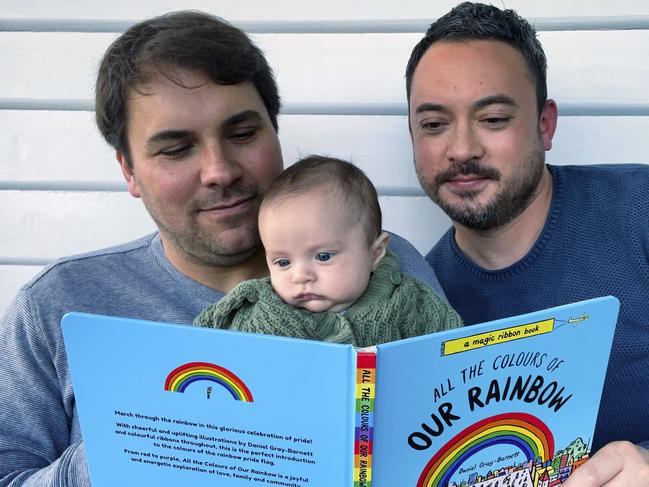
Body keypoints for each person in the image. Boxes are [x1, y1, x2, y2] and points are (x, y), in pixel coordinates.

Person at [0, 11, 445, 486]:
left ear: (275, 133)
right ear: (128, 170)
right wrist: (122, 448)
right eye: (176, 149)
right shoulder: (55, 305)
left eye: (242, 134)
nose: (219, 170)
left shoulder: (386, 266)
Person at [406, 2, 649, 484]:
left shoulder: (639, 211)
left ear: (545, 124)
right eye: (434, 125)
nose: (461, 149)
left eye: (493, 118)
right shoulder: (415, 303)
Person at [195, 155, 463, 346]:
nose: (300, 276)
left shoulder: (409, 301)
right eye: (282, 262)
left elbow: (452, 352)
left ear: (375, 253)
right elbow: (204, 347)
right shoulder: (260, 311)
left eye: (323, 256)